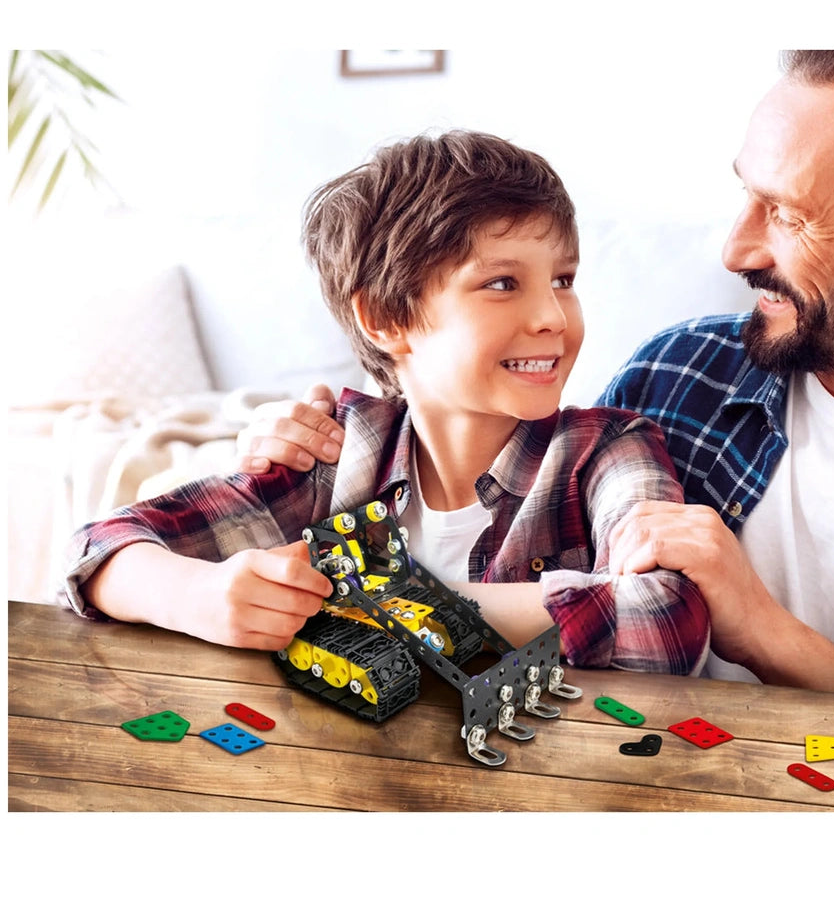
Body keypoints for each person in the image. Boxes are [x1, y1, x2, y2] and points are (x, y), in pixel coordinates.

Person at [240, 51, 834, 708]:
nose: (733, 250)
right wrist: (313, 442)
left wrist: (760, 629)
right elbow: (498, 469)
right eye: (745, 196)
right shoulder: (680, 376)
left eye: (789, 216)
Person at [58, 130, 710, 677]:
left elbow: (670, 618)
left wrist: (384, 601)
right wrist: (200, 595)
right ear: (386, 318)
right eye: (503, 283)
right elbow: (99, 549)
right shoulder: (339, 454)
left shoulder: (608, 450)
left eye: (563, 280)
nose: (552, 316)